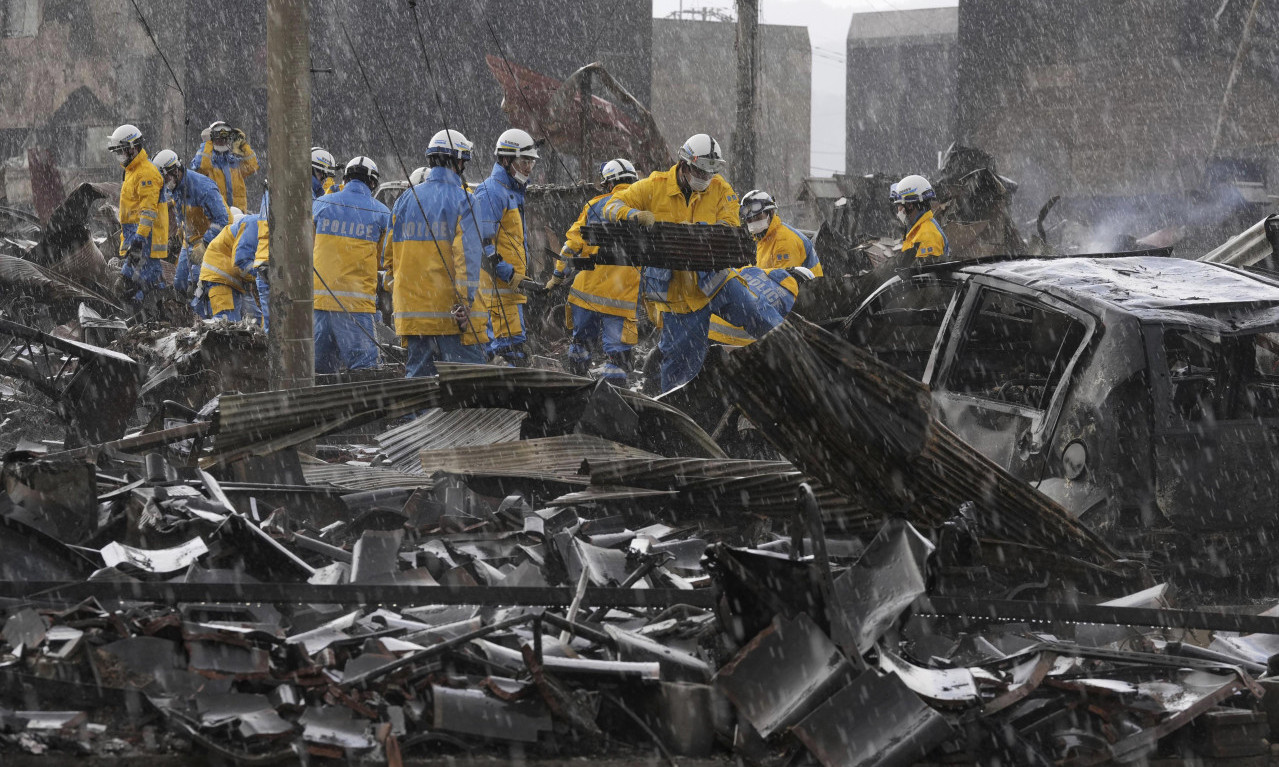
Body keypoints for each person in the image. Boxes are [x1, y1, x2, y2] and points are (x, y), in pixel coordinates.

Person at [603, 133, 784, 392]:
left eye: (710, 173)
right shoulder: (654, 186)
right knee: (681, 370)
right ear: (684, 165)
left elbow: (731, 223)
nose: (705, 178)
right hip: (679, 295)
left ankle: (795, 354)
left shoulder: (719, 188)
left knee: (763, 317)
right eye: (700, 172)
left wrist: (700, 233)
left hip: (716, 280)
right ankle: (676, 410)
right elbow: (611, 206)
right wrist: (633, 215)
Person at [388, 129, 487, 377]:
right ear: (459, 162)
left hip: (412, 317)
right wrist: (464, 303)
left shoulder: (404, 200)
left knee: (420, 388)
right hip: (450, 317)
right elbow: (466, 258)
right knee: (466, 384)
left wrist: (402, 295)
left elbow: (387, 259)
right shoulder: (465, 201)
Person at [548, 158, 642, 383]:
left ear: (608, 183)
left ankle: (577, 383)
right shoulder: (640, 208)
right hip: (620, 298)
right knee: (618, 356)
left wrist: (558, 275)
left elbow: (571, 245)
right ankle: (613, 394)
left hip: (585, 294)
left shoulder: (594, 206)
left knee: (580, 344)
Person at [709, 188, 821, 346]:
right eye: (749, 220)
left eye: (758, 217)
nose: (753, 222)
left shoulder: (784, 241)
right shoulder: (763, 238)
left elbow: (786, 287)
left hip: (808, 302)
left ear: (771, 213)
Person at [312, 156, 392, 374]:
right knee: (365, 373)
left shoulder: (320, 204)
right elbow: (383, 260)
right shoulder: (381, 213)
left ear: (345, 179)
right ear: (372, 183)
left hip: (319, 306)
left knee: (318, 374)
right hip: (355, 308)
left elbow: (308, 247)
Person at [471, 128, 538, 365]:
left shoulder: (512, 193)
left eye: (531, 162)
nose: (528, 168)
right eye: (524, 161)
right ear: (506, 160)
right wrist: (507, 272)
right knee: (509, 354)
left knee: (514, 353)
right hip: (496, 293)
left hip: (509, 293)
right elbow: (482, 244)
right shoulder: (492, 192)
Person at [106, 124, 169, 304]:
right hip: (136, 238)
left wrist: (139, 240)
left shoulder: (146, 173)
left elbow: (148, 212)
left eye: (121, 151)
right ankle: (152, 311)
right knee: (132, 286)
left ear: (132, 148)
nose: (119, 155)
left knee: (144, 284)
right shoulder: (132, 171)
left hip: (145, 240)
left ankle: (161, 311)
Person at [153, 149, 229, 296]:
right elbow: (185, 216)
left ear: (175, 171)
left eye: (164, 178)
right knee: (179, 285)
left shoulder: (203, 187)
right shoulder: (175, 188)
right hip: (190, 240)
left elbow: (222, 220)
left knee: (197, 285)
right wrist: (179, 234)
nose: (163, 183)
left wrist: (205, 244)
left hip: (214, 241)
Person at [194, 206, 252, 320]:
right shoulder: (239, 243)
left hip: (221, 286)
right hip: (222, 287)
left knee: (226, 322)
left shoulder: (223, 243)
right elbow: (241, 266)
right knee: (225, 322)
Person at [191, 120, 259, 211]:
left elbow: (253, 166)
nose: (222, 142)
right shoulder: (207, 161)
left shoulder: (234, 163)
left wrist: (242, 144)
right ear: (212, 140)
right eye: (218, 140)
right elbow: (201, 167)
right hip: (215, 214)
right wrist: (207, 143)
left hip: (238, 214)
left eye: (224, 139)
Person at [235, 191, 271, 330]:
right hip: (234, 282)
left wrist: (257, 276)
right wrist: (258, 276)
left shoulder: (251, 225)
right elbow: (240, 261)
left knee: (263, 319)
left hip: (259, 272)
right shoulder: (251, 224)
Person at [892, 174, 947, 259]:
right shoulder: (917, 229)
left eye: (899, 205)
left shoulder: (926, 235)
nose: (898, 210)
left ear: (909, 205)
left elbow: (921, 267)